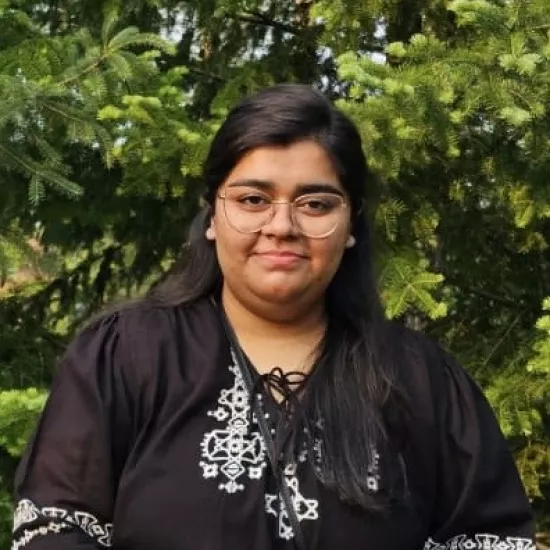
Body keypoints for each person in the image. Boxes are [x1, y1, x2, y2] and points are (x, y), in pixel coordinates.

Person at [11, 83, 535, 550]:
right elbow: (57, 524)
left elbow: (491, 538)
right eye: (253, 198)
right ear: (212, 214)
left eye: (315, 204)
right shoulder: (128, 354)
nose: (281, 225)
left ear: (350, 222)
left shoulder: (418, 379)